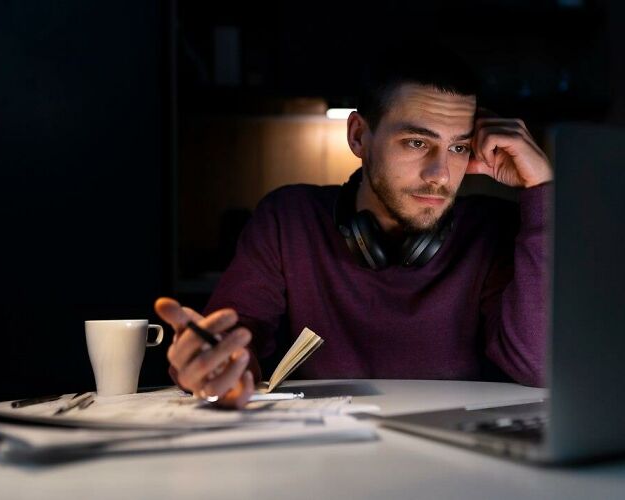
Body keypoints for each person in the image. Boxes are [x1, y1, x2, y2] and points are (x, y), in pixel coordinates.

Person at [155, 48, 553, 408]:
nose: (440, 175)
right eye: (416, 143)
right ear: (359, 135)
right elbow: (232, 346)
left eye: (458, 148)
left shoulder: (494, 230)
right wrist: (208, 366)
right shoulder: (287, 219)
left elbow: (537, 366)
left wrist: (543, 193)